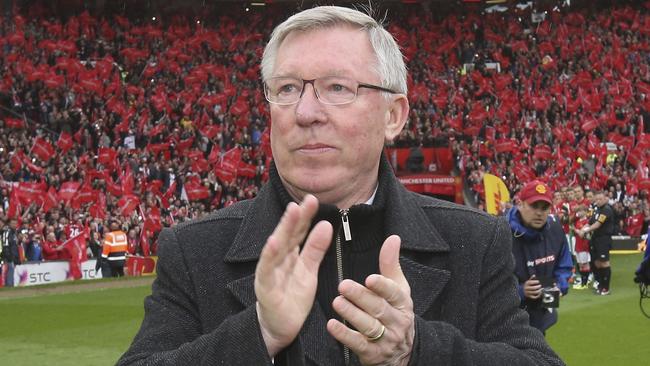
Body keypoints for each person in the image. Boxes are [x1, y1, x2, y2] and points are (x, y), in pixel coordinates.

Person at [119, 6, 564, 365]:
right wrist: (256, 336)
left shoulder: (474, 239)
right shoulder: (195, 249)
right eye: (288, 88)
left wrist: (417, 351)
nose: (306, 112)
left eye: (337, 87)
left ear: (394, 116)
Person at [507, 180, 573, 335]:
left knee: (538, 353)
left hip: (540, 318)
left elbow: (564, 266)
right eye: (534, 206)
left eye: (544, 208)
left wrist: (559, 287)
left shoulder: (555, 229)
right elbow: (490, 284)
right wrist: (521, 291)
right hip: (508, 321)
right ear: (520, 204)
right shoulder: (501, 233)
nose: (539, 212)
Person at [576, 190, 614, 295]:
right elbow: (589, 222)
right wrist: (582, 229)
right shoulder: (596, 210)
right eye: (596, 199)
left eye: (600, 199)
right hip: (595, 239)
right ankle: (600, 285)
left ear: (605, 199)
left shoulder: (607, 210)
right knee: (596, 263)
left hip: (603, 239)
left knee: (604, 262)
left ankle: (606, 288)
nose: (598, 201)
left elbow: (597, 224)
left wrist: (584, 231)